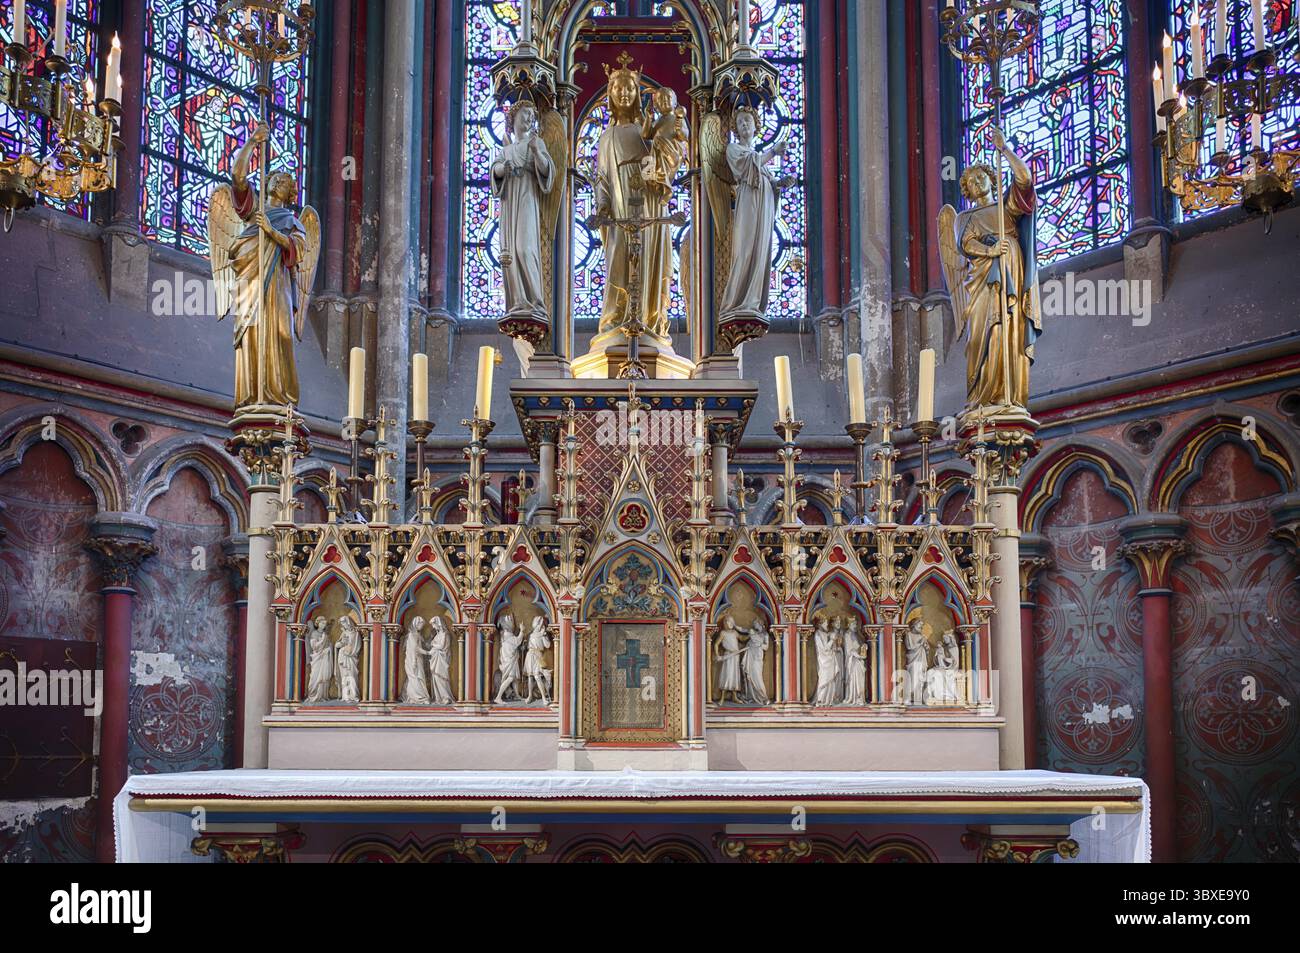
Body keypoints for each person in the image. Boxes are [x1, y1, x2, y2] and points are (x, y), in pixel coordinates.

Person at [718, 107, 793, 324]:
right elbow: (745, 169)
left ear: (756, 126)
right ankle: (735, 302)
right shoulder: (734, 149)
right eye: (740, 122)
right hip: (748, 203)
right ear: (735, 128)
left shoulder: (757, 155)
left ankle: (752, 301)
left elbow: (766, 180)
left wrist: (779, 184)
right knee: (745, 249)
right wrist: (773, 152)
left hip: (764, 207)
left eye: (748, 121)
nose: (744, 125)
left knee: (760, 252)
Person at [491, 101, 555, 323]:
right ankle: (518, 301)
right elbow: (496, 170)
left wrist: (538, 152)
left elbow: (547, 171)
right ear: (514, 117)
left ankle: (536, 301)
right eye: (525, 114)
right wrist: (502, 169)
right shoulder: (506, 149)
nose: (529, 119)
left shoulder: (536, 142)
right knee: (509, 253)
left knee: (525, 249)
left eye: (531, 115)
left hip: (527, 198)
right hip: (510, 204)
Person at [713, 616, 745, 703]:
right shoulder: (723, 633)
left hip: (735, 656)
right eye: (727, 622)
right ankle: (722, 697)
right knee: (727, 675)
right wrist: (717, 655)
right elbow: (716, 644)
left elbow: (742, 638)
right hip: (728, 656)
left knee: (734, 675)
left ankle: (734, 697)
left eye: (731, 622)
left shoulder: (735, 633)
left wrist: (751, 635)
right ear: (724, 624)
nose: (729, 624)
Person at [401, 616, 431, 705]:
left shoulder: (417, 635)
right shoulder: (412, 634)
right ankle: (420, 698)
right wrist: (427, 653)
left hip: (418, 659)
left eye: (422, 624)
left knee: (419, 677)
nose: (422, 626)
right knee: (416, 677)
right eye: (421, 624)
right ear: (416, 624)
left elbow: (419, 647)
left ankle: (414, 697)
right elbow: (415, 648)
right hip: (413, 660)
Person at [523, 616, 553, 705]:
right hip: (530, 655)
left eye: (541, 623)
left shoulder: (542, 634)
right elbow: (526, 646)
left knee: (537, 676)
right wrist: (523, 647)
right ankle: (530, 696)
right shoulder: (530, 635)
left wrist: (544, 635)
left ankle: (544, 698)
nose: (540, 625)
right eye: (539, 622)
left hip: (538, 656)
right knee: (530, 676)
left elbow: (547, 645)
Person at [494, 614, 524, 704]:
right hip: (509, 661)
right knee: (511, 678)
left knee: (514, 678)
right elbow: (517, 641)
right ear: (506, 625)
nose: (513, 623)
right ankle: (498, 697)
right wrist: (522, 631)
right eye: (511, 621)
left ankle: (517, 694)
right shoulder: (507, 635)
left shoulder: (506, 635)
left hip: (510, 660)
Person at [304, 617, 334, 703]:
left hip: (325, 658)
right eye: (322, 623)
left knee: (324, 677)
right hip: (317, 658)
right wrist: (322, 640)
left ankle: (323, 696)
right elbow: (314, 646)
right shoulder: (314, 633)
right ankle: (313, 695)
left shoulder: (326, 635)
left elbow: (329, 645)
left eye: (324, 623)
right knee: (315, 677)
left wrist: (329, 649)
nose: (323, 625)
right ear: (317, 623)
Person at [742, 619, 770, 706]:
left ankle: (764, 697)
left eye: (756, 624)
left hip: (757, 657)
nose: (754, 626)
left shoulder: (765, 635)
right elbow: (743, 630)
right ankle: (751, 697)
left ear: (760, 624)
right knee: (749, 677)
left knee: (757, 677)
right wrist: (734, 625)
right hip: (750, 655)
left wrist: (760, 645)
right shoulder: (753, 633)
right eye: (754, 624)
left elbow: (766, 647)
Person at [428, 616, 455, 705]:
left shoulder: (445, 634)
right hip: (435, 659)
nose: (433, 627)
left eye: (433, 624)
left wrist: (433, 644)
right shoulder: (438, 634)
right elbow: (433, 646)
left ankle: (446, 697)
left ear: (438, 623)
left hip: (442, 660)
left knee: (441, 679)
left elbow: (441, 646)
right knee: (435, 678)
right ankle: (438, 698)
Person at [336, 616, 361, 704]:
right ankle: (345, 696)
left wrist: (349, 650)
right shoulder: (344, 633)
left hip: (351, 657)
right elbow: (337, 645)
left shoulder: (355, 633)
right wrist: (341, 644)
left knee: (352, 676)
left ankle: (353, 696)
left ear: (348, 622)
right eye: (342, 623)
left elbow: (357, 646)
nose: (343, 624)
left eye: (344, 622)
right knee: (344, 676)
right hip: (343, 656)